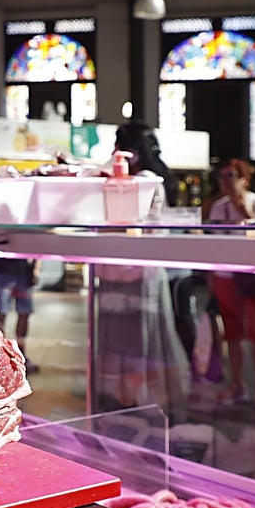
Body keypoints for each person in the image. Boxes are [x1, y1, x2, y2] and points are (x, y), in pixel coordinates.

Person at [93, 122, 189, 417]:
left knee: (137, 340)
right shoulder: (136, 177)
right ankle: (121, 399)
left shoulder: (147, 180)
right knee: (121, 339)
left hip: (137, 272)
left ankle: (141, 402)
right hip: (121, 269)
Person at [206, 158, 255, 408]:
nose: (225, 182)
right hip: (226, 275)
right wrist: (211, 278)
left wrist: (244, 211)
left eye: (231, 176)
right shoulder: (218, 208)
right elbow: (214, 245)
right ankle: (237, 383)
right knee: (232, 332)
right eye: (222, 177)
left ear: (244, 179)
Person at [0, 257, 39, 374]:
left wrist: (36, 269)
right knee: (1, 314)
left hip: (24, 271)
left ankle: (20, 355)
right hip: (1, 269)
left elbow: (38, 244)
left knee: (23, 312)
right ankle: (0, 355)